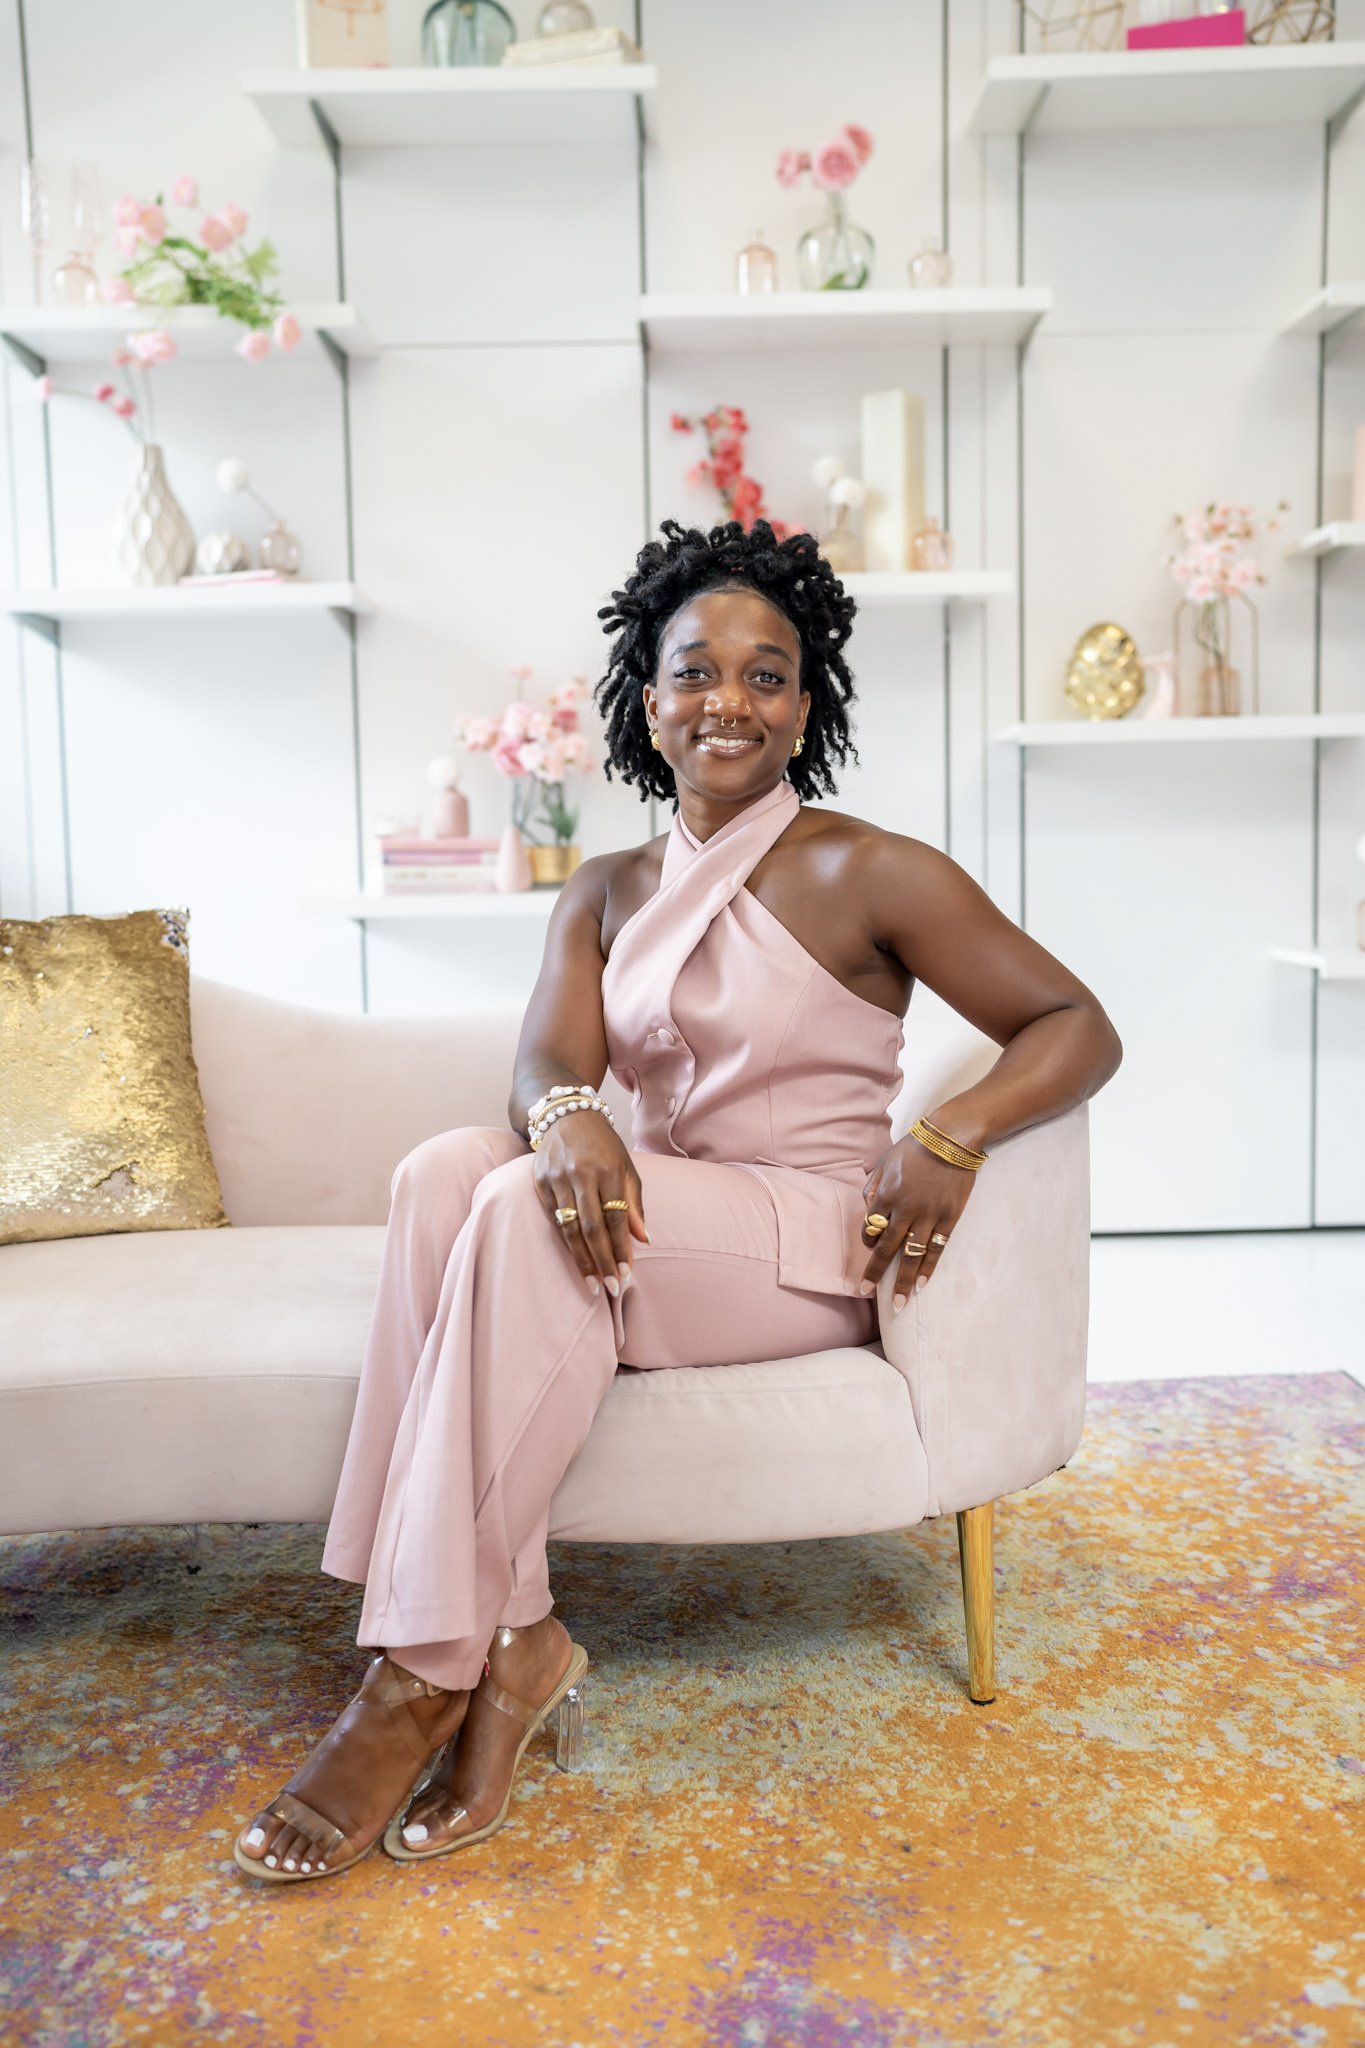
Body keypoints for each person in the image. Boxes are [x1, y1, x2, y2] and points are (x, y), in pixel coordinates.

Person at [233, 516, 1123, 1884]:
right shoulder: (606, 889)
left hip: (802, 1239)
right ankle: (515, 1640)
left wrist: (953, 1132)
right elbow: (547, 1061)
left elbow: (1076, 1022)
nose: (729, 700)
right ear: (646, 703)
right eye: (696, 672)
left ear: (805, 706)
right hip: (656, 1221)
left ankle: (418, 1673)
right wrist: (569, 1115)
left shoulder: (869, 869)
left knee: (519, 1207)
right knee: (443, 1173)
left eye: (767, 675)